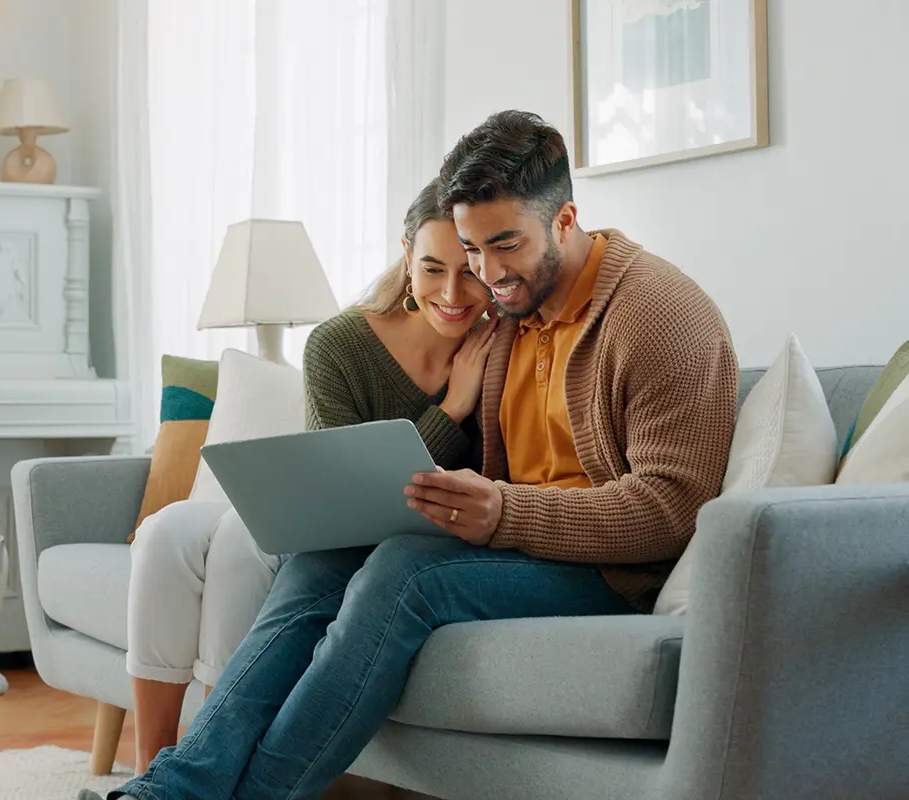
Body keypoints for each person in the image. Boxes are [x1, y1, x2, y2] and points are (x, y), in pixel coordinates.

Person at [88, 110, 738, 800]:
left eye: (505, 246)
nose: (487, 274)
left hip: (611, 570)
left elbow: (674, 510)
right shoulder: (512, 310)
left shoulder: (659, 314)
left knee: (405, 571)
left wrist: (503, 512)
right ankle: (171, 789)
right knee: (324, 558)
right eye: (471, 249)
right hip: (521, 545)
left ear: (567, 219)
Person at [122, 177, 496, 775]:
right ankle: (153, 767)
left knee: (242, 547)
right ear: (406, 257)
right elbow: (342, 499)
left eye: (469, 270)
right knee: (167, 531)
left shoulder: (499, 349)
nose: (452, 292)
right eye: (432, 268)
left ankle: (209, 770)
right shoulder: (341, 343)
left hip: (392, 542)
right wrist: (450, 411)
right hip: (326, 522)